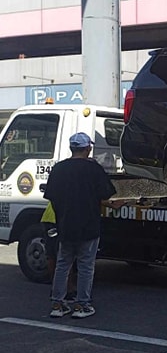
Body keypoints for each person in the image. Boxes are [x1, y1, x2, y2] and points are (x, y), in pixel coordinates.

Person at [43, 131, 120, 320]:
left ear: (72, 148)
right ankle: (81, 304)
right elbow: (106, 193)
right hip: (88, 225)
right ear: (87, 148)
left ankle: (57, 303)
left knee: (63, 264)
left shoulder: (59, 169)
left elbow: (51, 195)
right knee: (86, 266)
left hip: (65, 225)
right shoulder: (93, 169)